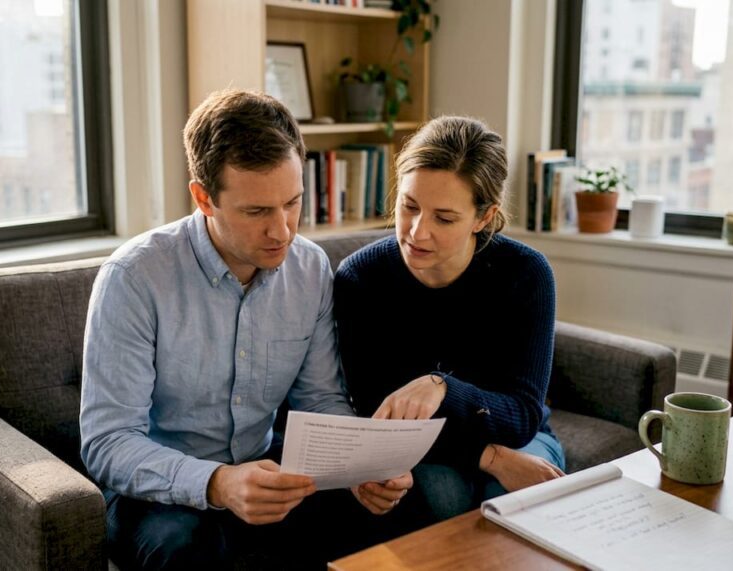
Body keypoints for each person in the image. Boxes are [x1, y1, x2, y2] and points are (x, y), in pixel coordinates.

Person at [79, 89, 410, 570]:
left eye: (292, 203)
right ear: (203, 198)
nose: (283, 231)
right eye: (256, 212)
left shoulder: (310, 269)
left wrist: (358, 467)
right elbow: (108, 443)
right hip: (156, 489)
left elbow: (320, 400)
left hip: (261, 463)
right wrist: (217, 483)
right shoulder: (134, 278)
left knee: (387, 516)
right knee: (183, 546)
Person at [334, 116, 566, 526]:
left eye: (443, 218)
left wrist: (441, 387)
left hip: (517, 436)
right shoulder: (361, 278)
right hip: (417, 446)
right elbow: (378, 413)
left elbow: (522, 416)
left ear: (483, 217)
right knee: (444, 497)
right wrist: (489, 457)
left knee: (518, 504)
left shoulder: (526, 274)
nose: (417, 232)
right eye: (409, 206)